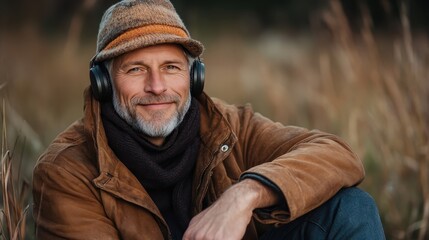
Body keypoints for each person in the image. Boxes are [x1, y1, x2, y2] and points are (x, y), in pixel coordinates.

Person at [32, 0, 385, 239]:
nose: (157, 87)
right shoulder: (65, 171)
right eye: (136, 69)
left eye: (171, 68)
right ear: (103, 83)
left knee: (351, 209)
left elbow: (336, 154)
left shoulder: (228, 125)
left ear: (194, 77)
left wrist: (245, 195)